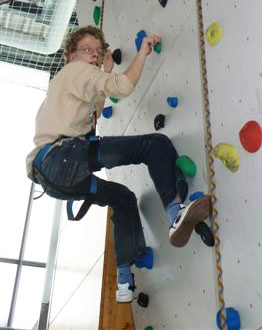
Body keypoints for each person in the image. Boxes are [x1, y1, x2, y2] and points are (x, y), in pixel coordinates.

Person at [26, 25, 211, 303]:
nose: (94, 56)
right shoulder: (75, 71)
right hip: (63, 158)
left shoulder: (67, 85)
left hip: (56, 178)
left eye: (98, 53)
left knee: (123, 198)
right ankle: (175, 212)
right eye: (88, 50)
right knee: (155, 145)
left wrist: (106, 70)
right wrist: (142, 52)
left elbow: (95, 110)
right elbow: (122, 88)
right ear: (71, 55)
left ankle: (124, 279)